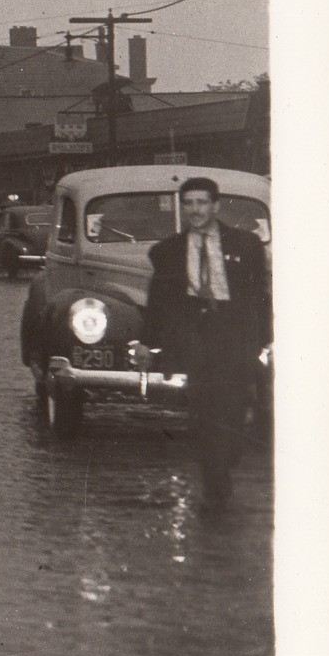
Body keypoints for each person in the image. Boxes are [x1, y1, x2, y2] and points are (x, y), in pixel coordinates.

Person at [139, 176, 271, 495]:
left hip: (235, 336)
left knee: (234, 412)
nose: (195, 210)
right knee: (203, 414)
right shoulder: (167, 251)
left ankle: (224, 461)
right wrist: (146, 341)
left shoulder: (246, 244)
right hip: (196, 337)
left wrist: (267, 338)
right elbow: (157, 299)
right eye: (188, 203)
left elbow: (260, 296)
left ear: (215, 205)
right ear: (181, 207)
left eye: (201, 202)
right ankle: (215, 482)